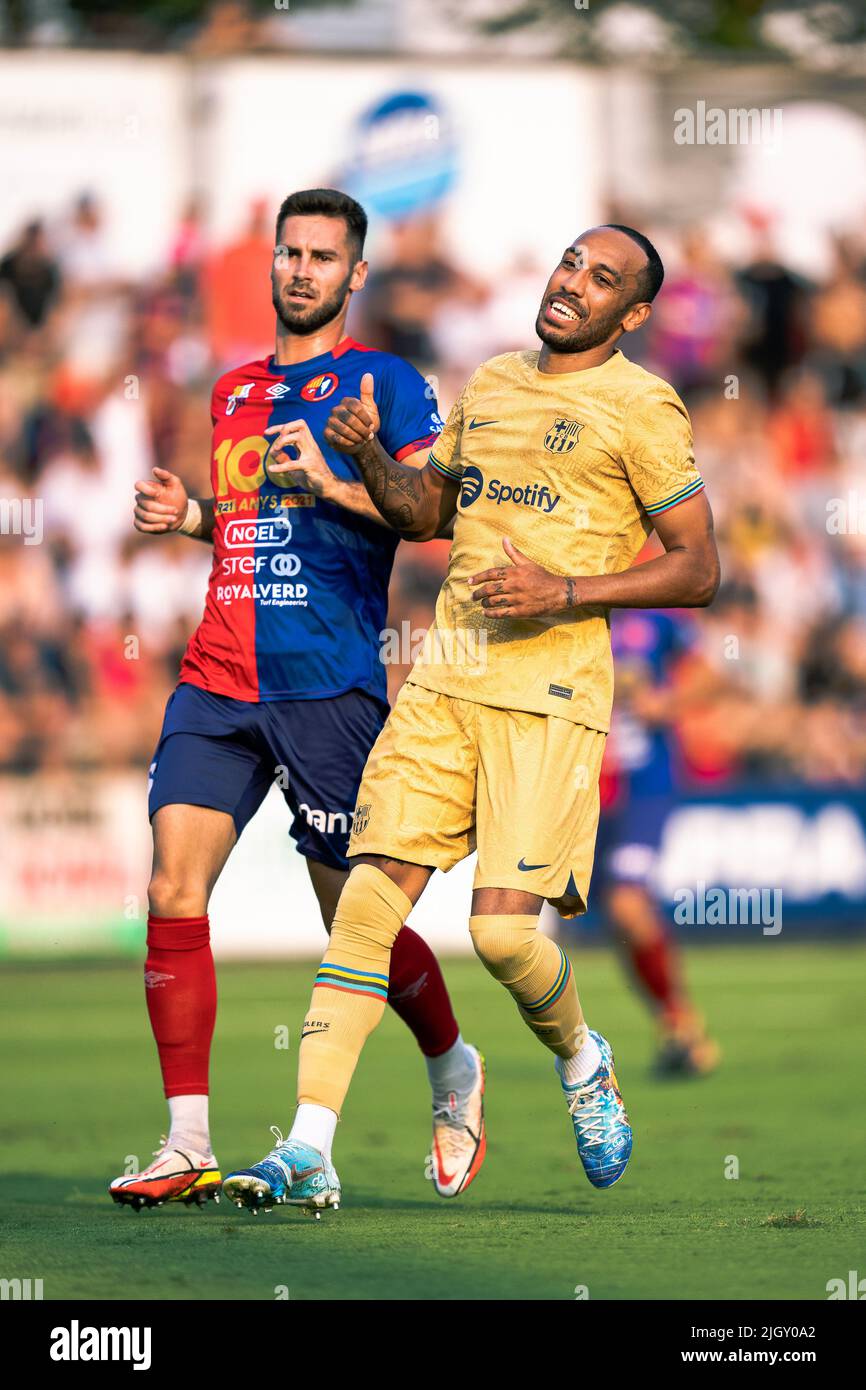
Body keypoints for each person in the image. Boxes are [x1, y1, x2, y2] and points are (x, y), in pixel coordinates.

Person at [223, 224, 721, 1213]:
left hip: (550, 695)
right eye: (571, 262)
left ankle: (581, 1056)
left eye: (602, 280)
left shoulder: (640, 405)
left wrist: (564, 587)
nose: (572, 283)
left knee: (501, 941)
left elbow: (698, 566)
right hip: (445, 676)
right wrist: (368, 459)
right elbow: (424, 511)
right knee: (365, 904)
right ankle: (308, 1148)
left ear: (631, 314)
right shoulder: (491, 381)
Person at [108, 189, 486, 1213]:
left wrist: (332, 475)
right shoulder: (233, 391)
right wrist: (191, 514)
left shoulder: (386, 383)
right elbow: (247, 527)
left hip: (328, 687)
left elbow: (423, 514)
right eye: (289, 253)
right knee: (171, 889)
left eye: (323, 256)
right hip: (218, 678)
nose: (301, 270)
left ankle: (452, 1062)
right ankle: (187, 1137)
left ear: (354, 275)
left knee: (348, 921)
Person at [595, 609, 720, 1076]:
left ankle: (681, 1022)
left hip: (645, 787)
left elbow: (713, 678)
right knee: (617, 920)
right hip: (586, 791)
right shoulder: (564, 605)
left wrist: (665, 704)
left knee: (627, 901)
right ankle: (674, 1027)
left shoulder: (656, 615)